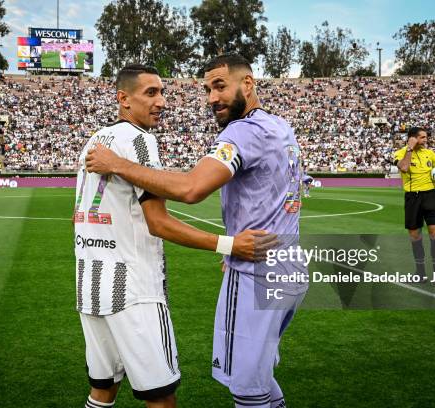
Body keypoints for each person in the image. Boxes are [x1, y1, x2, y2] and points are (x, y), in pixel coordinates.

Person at [85, 54, 307, 408]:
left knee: (247, 390)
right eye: (207, 89)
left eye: (219, 86)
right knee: (260, 376)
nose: (211, 99)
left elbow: (191, 189)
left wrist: (118, 164)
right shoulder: (281, 127)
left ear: (247, 84)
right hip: (290, 266)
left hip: (256, 271)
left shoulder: (241, 131)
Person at [392, 127, 435, 284]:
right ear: (412, 138)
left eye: (426, 137)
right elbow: (404, 168)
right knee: (415, 236)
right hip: (413, 197)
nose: (425, 140)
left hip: (431, 196)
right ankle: (420, 273)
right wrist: (409, 149)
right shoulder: (399, 153)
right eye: (422, 137)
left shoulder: (430, 153)